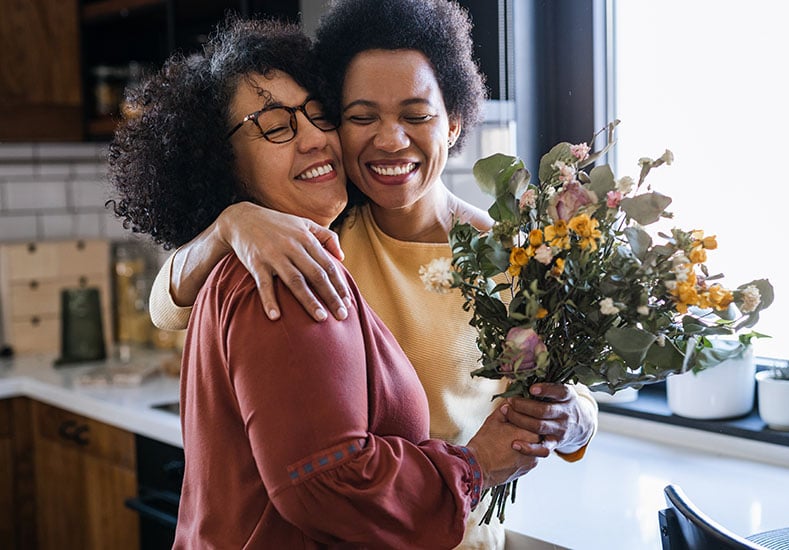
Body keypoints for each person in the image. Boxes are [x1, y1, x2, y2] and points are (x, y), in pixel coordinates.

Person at [148, 1, 599, 547]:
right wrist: (231, 223)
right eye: (361, 117)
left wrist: (575, 421)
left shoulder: (510, 255)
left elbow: (552, 381)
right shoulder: (309, 234)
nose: (390, 139)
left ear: (453, 123)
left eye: (416, 115)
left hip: (467, 533)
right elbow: (165, 304)